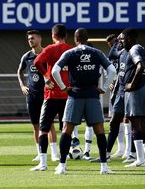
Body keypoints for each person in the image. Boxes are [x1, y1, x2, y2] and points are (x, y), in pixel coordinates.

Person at [51, 28, 116, 175]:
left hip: (75, 95)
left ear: (75, 39)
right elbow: (112, 71)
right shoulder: (97, 53)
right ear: (88, 39)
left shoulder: (70, 53)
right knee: (99, 130)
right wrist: (104, 87)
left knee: (67, 129)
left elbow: (55, 70)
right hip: (93, 95)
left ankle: (62, 166)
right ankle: (104, 167)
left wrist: (63, 87)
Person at [30, 24, 72, 171]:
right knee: (66, 130)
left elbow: (37, 62)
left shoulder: (50, 49)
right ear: (65, 35)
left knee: (43, 129)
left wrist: (46, 76)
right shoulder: (70, 49)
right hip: (67, 95)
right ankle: (63, 163)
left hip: (51, 95)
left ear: (53, 35)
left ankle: (43, 163)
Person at [17, 30, 59, 162]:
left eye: (33, 38)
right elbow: (19, 71)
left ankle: (54, 153)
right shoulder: (27, 56)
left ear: (40, 39)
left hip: (46, 94)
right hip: (32, 95)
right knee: (35, 125)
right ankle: (40, 153)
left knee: (49, 124)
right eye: (29, 39)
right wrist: (22, 86)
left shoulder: (47, 54)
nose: (30, 40)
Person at [119, 28, 145, 167]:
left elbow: (140, 66)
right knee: (141, 123)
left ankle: (140, 159)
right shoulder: (140, 47)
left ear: (129, 39)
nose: (121, 41)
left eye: (122, 39)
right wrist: (142, 81)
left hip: (135, 91)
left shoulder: (134, 50)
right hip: (141, 89)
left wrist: (132, 84)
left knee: (135, 123)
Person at [105, 34, 132, 159]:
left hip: (125, 90)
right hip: (116, 90)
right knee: (115, 120)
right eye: (111, 44)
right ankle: (121, 148)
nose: (114, 45)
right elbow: (110, 70)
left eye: (115, 42)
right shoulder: (115, 56)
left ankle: (129, 150)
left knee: (128, 119)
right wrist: (110, 81)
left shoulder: (126, 52)